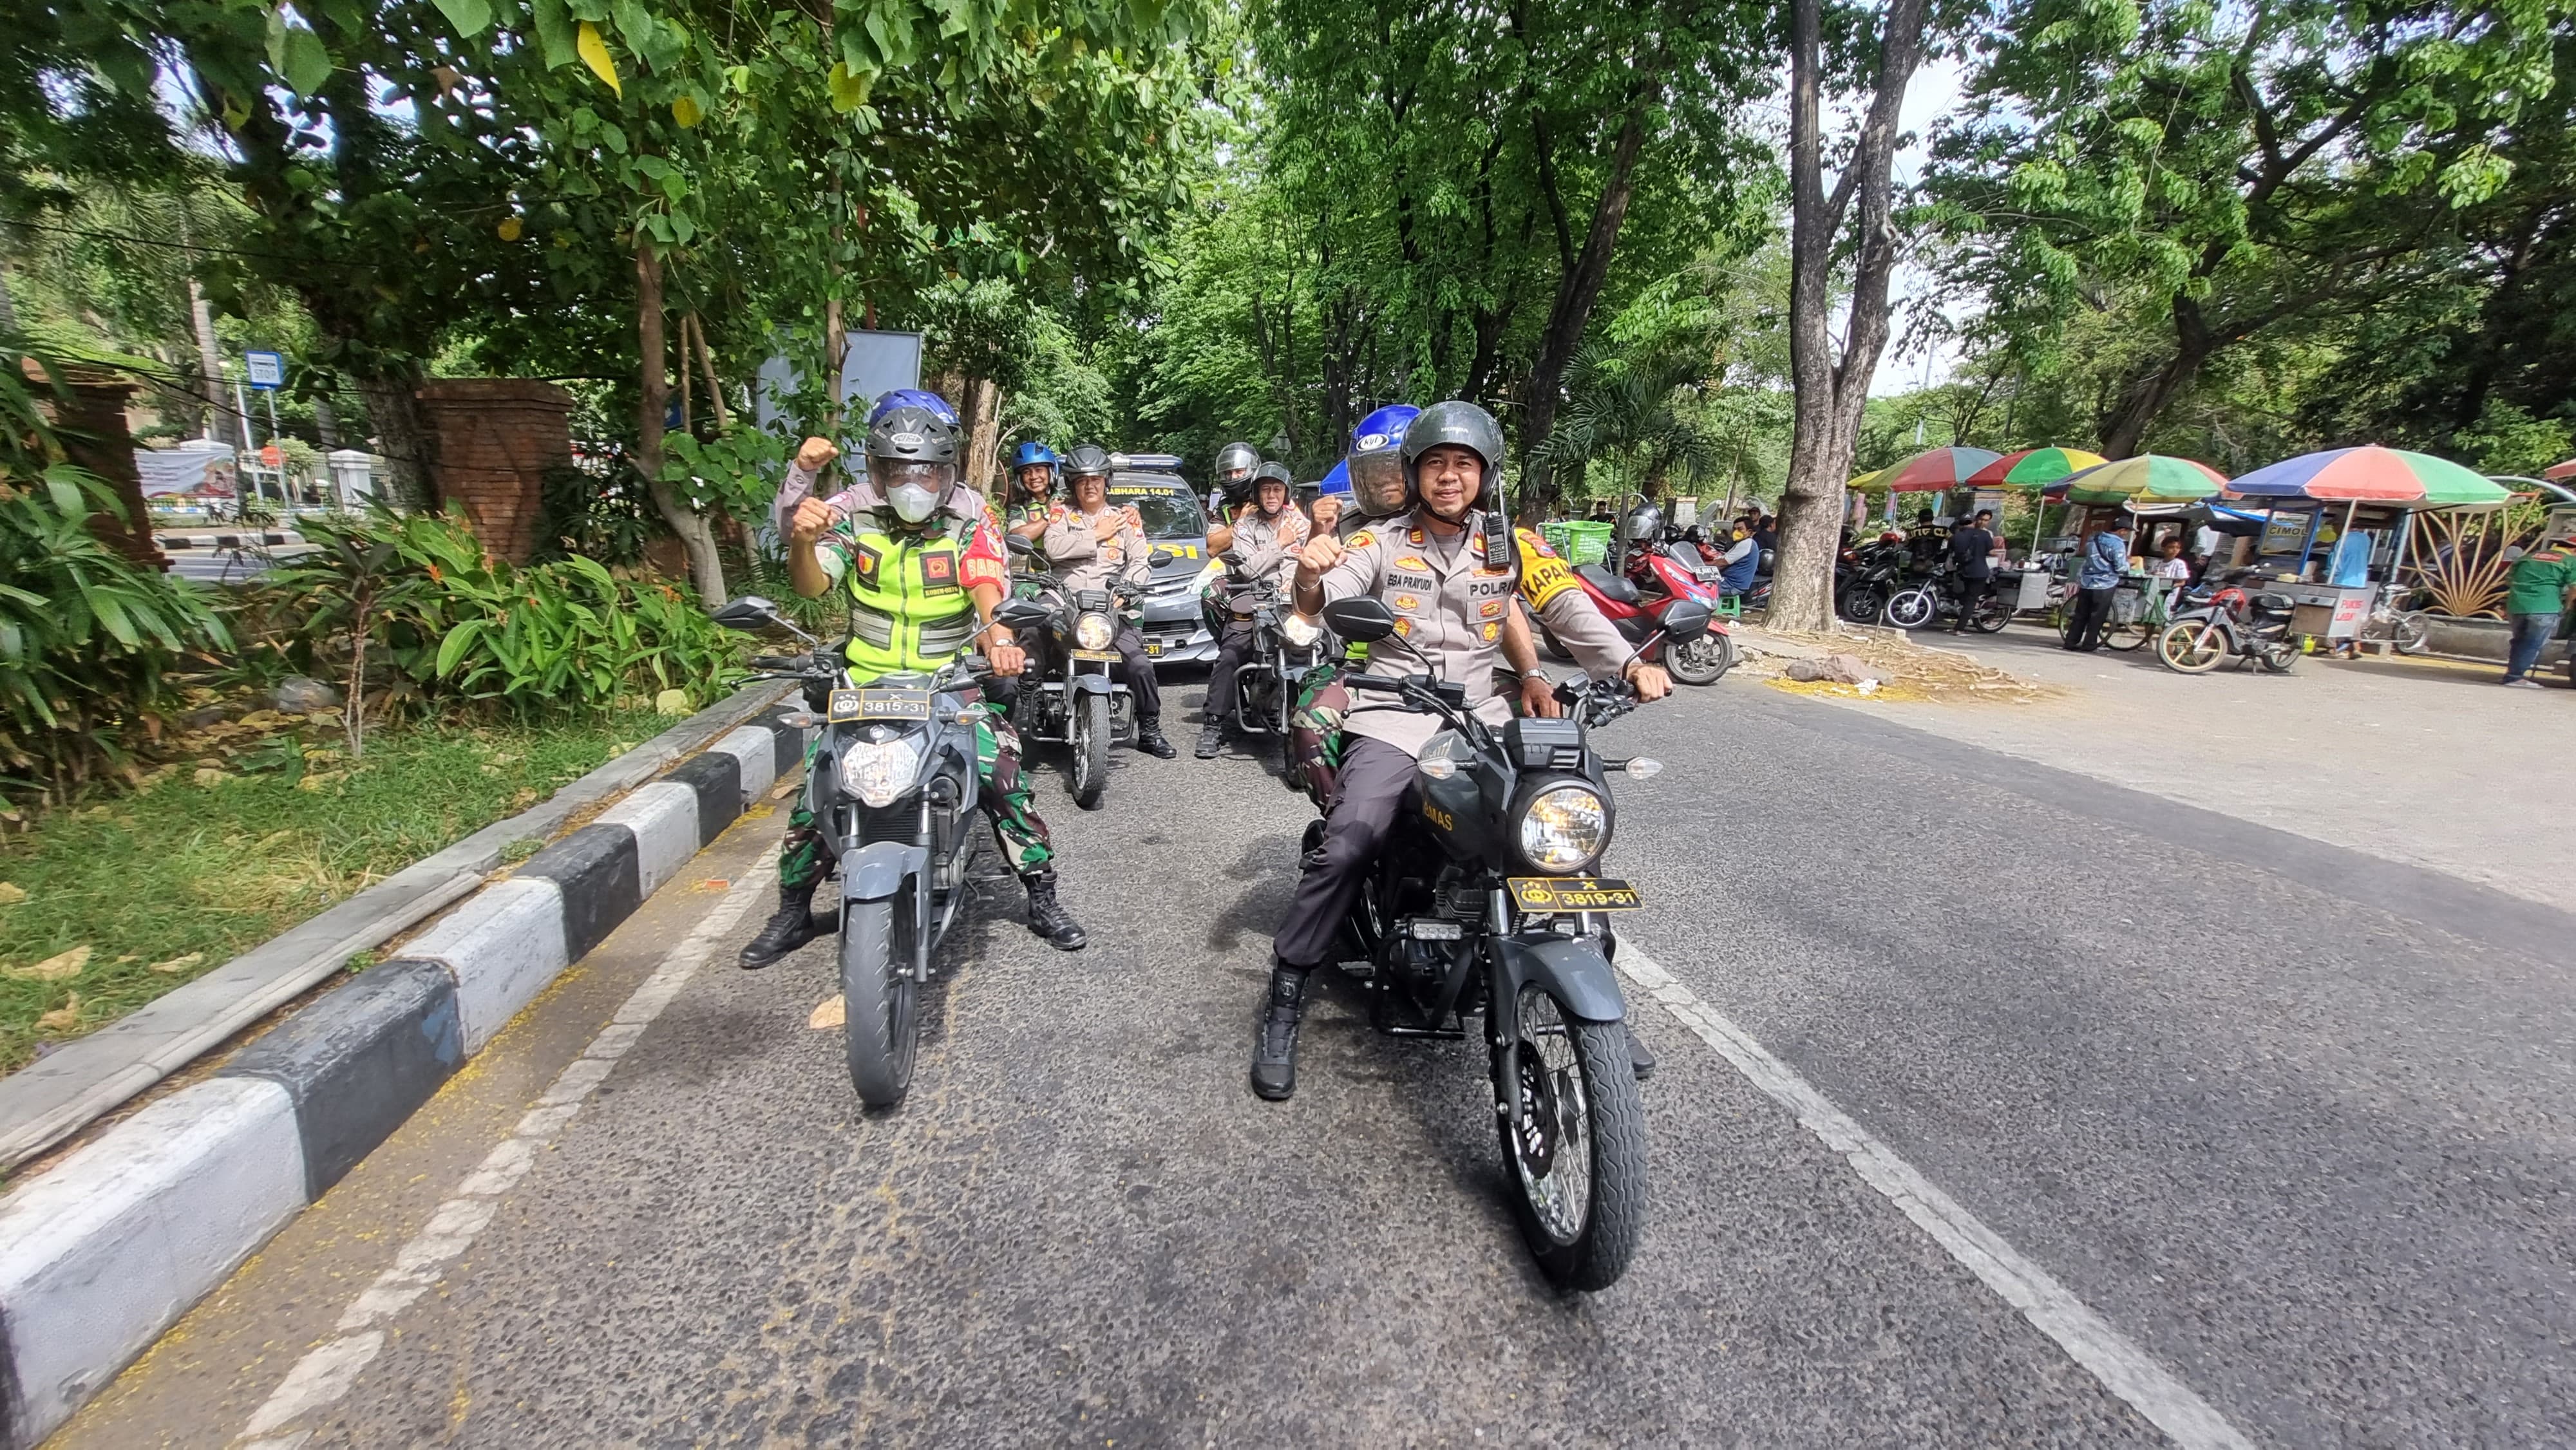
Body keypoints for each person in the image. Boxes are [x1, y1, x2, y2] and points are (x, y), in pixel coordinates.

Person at [1249, 400, 1672, 1102]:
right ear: (1415, 475)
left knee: (1562, 816)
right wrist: (1308, 570)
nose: (1450, 477)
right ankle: (1287, 991)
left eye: (1463, 464)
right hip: (1393, 709)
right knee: (1352, 837)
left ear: (1484, 474)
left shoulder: (1511, 545)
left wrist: (1627, 665)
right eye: (1436, 465)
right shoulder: (1380, 541)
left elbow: (1565, 605)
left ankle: (1594, 984)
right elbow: (1325, 600)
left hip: (1481, 713)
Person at [741, 402, 1087, 966]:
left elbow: (985, 582)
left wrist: (997, 641)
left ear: (945, 470)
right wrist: (802, 542)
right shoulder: (853, 516)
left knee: (1000, 773)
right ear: (877, 473)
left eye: (925, 471)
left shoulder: (969, 518)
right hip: (864, 681)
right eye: (898, 472)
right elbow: (811, 586)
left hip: (948, 681)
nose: (912, 483)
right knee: (819, 788)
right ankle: (793, 909)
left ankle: (1042, 894)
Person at [1043, 444, 1177, 757]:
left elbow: (1140, 562)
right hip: (1065, 602)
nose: (1090, 486)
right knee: (1033, 640)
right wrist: (1097, 534)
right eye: (1082, 480)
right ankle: (1022, 718)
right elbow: (1054, 549)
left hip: (1110, 608)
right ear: (1073, 484)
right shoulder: (1061, 513)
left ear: (1107, 482)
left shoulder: (1126, 518)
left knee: (1140, 664)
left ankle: (1150, 730)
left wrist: (1127, 590)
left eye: (1097, 479)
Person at [1198, 462, 1312, 757]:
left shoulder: (1301, 523)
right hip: (1253, 597)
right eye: (1265, 490)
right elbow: (1249, 569)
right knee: (1231, 652)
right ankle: (1213, 726)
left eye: (1277, 489)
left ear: (1286, 492)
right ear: (1257, 494)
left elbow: (1305, 561)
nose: (1271, 495)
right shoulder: (1245, 526)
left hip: (1291, 602)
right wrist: (1279, 544)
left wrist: (1291, 581)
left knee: (1319, 649)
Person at [2501, 534, 2576, 688]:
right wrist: (2568, 606)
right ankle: (2515, 677)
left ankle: (2512, 675)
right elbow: (2575, 587)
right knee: (2532, 643)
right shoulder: (2570, 561)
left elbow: (2509, 580)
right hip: (2545, 607)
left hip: (2517, 606)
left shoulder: (2527, 557)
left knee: (2519, 642)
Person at [2063, 518, 2132, 651]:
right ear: (2122, 531)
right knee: (2097, 616)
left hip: (2086, 582)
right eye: (2126, 531)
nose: (2126, 534)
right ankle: (2089, 644)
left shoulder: (2093, 540)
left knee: (2080, 615)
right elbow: (2120, 568)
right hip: (2105, 584)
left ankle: (2070, 642)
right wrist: (2130, 564)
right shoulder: (2117, 544)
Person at [1946, 509, 2000, 632]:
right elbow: (1991, 552)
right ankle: (1959, 629)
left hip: (1963, 572)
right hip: (1980, 572)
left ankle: (1962, 620)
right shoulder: (1985, 535)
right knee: (1970, 600)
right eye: (1981, 520)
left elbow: (1950, 552)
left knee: (1964, 597)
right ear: (1975, 520)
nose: (1983, 522)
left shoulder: (1956, 537)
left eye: (1985, 520)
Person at [1210, 441, 1263, 516]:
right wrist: (1242, 519)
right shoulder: (1225, 506)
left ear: (1253, 470)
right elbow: (1216, 527)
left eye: (1239, 471)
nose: (1233, 477)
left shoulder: (1267, 502)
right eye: (1228, 473)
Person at [1717, 518, 1762, 598]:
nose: (1736, 532)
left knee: (1698, 587)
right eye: (1735, 529)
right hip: (1729, 582)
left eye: (1740, 529)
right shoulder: (1741, 543)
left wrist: (1702, 565)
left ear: (1749, 532)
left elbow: (1724, 562)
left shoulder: (1747, 543)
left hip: (1731, 585)